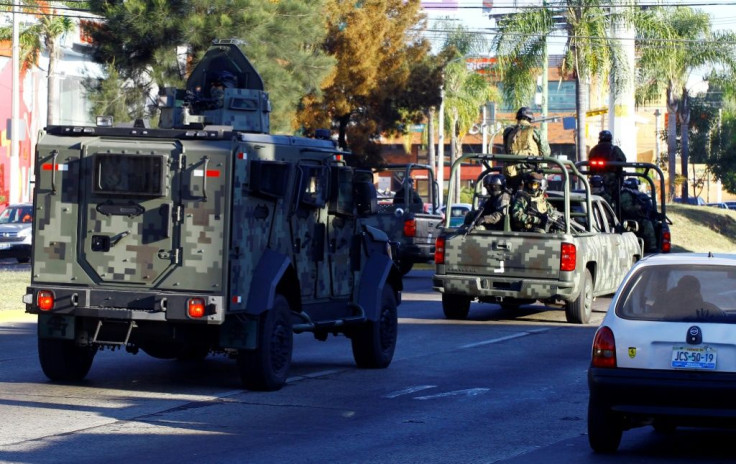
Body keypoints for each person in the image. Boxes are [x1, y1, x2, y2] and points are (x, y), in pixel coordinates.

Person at [502, 107, 551, 191]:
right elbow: (546, 152)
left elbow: (506, 151)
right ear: (530, 119)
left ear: (518, 118)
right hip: (530, 175)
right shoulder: (534, 131)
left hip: (511, 173)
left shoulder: (508, 132)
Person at [619, 180, 658, 253]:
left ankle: (652, 246)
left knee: (654, 223)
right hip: (627, 219)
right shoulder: (625, 194)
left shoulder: (636, 194)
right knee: (647, 224)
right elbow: (627, 208)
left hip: (638, 217)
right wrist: (638, 207)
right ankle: (652, 247)